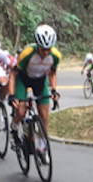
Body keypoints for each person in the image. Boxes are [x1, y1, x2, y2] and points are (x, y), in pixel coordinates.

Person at [8, 25, 61, 153]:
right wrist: (11, 95)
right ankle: (14, 127)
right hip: (23, 79)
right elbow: (13, 75)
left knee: (44, 115)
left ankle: (43, 147)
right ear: (37, 45)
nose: (46, 53)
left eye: (48, 49)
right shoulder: (26, 54)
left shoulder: (56, 56)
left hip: (40, 81)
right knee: (20, 112)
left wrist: (54, 90)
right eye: (43, 50)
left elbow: (52, 73)